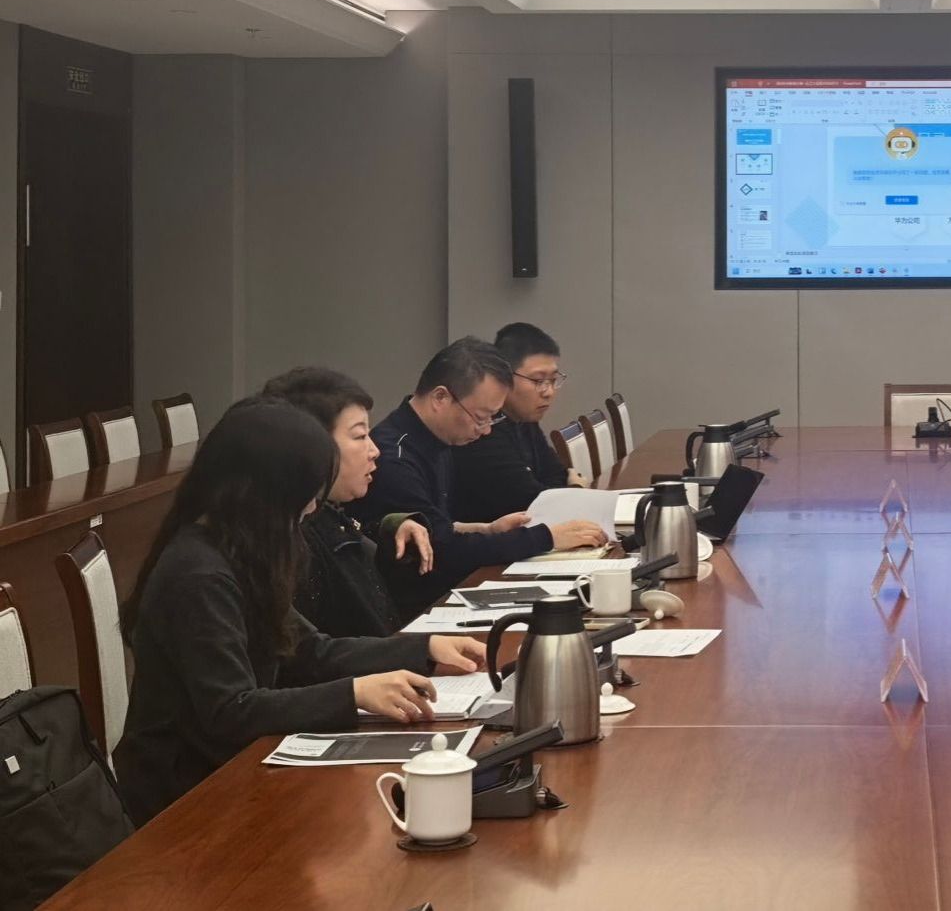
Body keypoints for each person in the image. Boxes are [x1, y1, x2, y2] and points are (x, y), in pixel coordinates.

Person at [116, 398, 487, 824]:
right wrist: (353, 694)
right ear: (266, 495)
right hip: (187, 795)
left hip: (234, 768)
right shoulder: (198, 575)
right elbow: (229, 711)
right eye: (306, 497)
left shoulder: (237, 551)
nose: (312, 509)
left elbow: (310, 650)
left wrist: (424, 650)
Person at [350, 336, 609, 615]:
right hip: (417, 611)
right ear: (440, 398)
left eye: (493, 418)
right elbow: (442, 552)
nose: (486, 430)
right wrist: (547, 537)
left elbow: (438, 527)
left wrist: (486, 529)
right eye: (481, 417)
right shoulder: (394, 458)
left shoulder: (438, 439)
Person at [262, 365, 428, 637]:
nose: (374, 451)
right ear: (310, 443)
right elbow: (318, 651)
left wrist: (389, 529)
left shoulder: (326, 515)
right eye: (360, 436)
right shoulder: (286, 542)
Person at [451, 322, 584, 525]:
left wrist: (560, 489)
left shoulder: (524, 419)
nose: (548, 392)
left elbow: (557, 473)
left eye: (553, 380)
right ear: (504, 376)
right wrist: (575, 488)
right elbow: (532, 503)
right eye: (538, 380)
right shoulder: (483, 430)